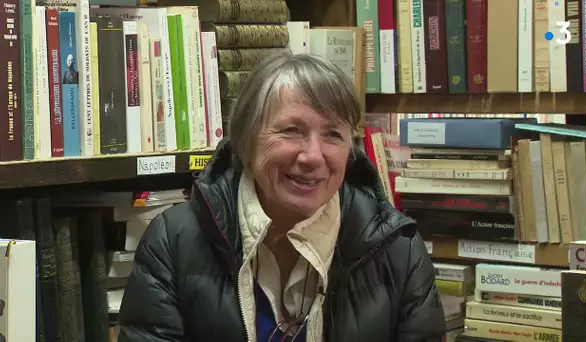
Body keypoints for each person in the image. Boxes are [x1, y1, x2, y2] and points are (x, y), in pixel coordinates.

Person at [118, 53, 446, 341]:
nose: (313, 156)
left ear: (350, 152)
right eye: (291, 130)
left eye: (333, 135)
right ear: (246, 143)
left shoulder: (398, 250)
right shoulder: (173, 243)